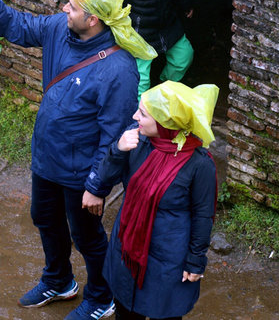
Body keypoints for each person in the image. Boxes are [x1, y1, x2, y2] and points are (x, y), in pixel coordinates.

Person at [0, 0, 156, 320]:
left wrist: (97, 186)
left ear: (93, 19)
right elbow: (21, 26)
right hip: (47, 157)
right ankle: (59, 280)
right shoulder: (59, 29)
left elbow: (114, 134)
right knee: (44, 217)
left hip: (81, 171)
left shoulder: (119, 69)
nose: (64, 8)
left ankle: (101, 296)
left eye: (73, 6)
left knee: (87, 236)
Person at [83, 81, 218, 319]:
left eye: (143, 114)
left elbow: (203, 215)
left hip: (168, 259)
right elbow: (105, 178)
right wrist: (117, 150)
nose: (135, 116)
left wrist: (195, 261)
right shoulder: (137, 140)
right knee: (125, 310)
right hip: (127, 247)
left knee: (164, 313)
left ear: (165, 123)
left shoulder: (199, 164)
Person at [109, 0, 195, 97]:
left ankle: (163, 90)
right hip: (140, 34)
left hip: (166, 24)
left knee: (184, 56)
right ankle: (141, 116)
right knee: (141, 81)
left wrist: (186, 3)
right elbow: (113, 8)